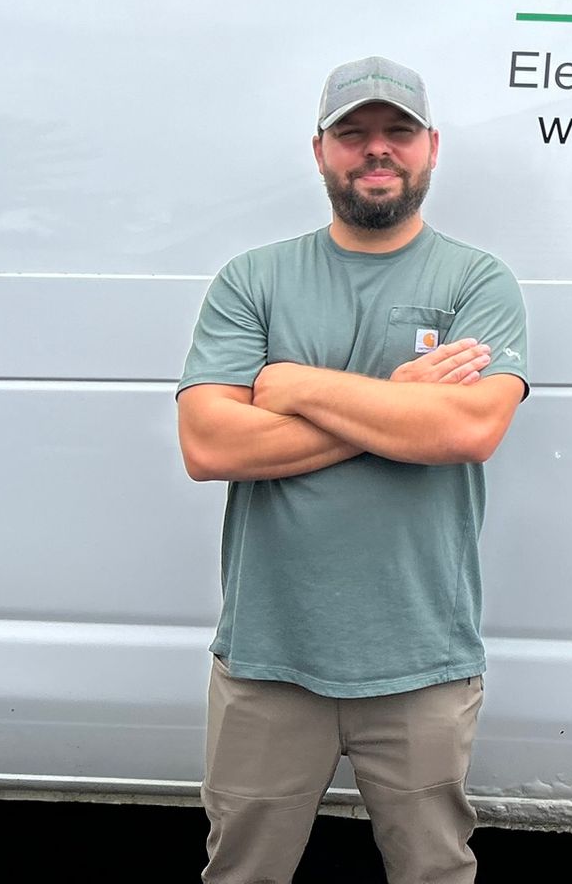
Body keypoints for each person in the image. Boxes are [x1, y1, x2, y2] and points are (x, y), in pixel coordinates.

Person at [176, 56, 529, 884]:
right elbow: (210, 445)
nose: (378, 151)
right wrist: (396, 409)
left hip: (422, 662)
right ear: (321, 150)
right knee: (241, 875)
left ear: (432, 147)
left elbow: (471, 427)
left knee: (433, 873)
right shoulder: (253, 281)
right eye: (355, 135)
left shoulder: (477, 281)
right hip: (270, 659)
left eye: (398, 132)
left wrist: (294, 387)